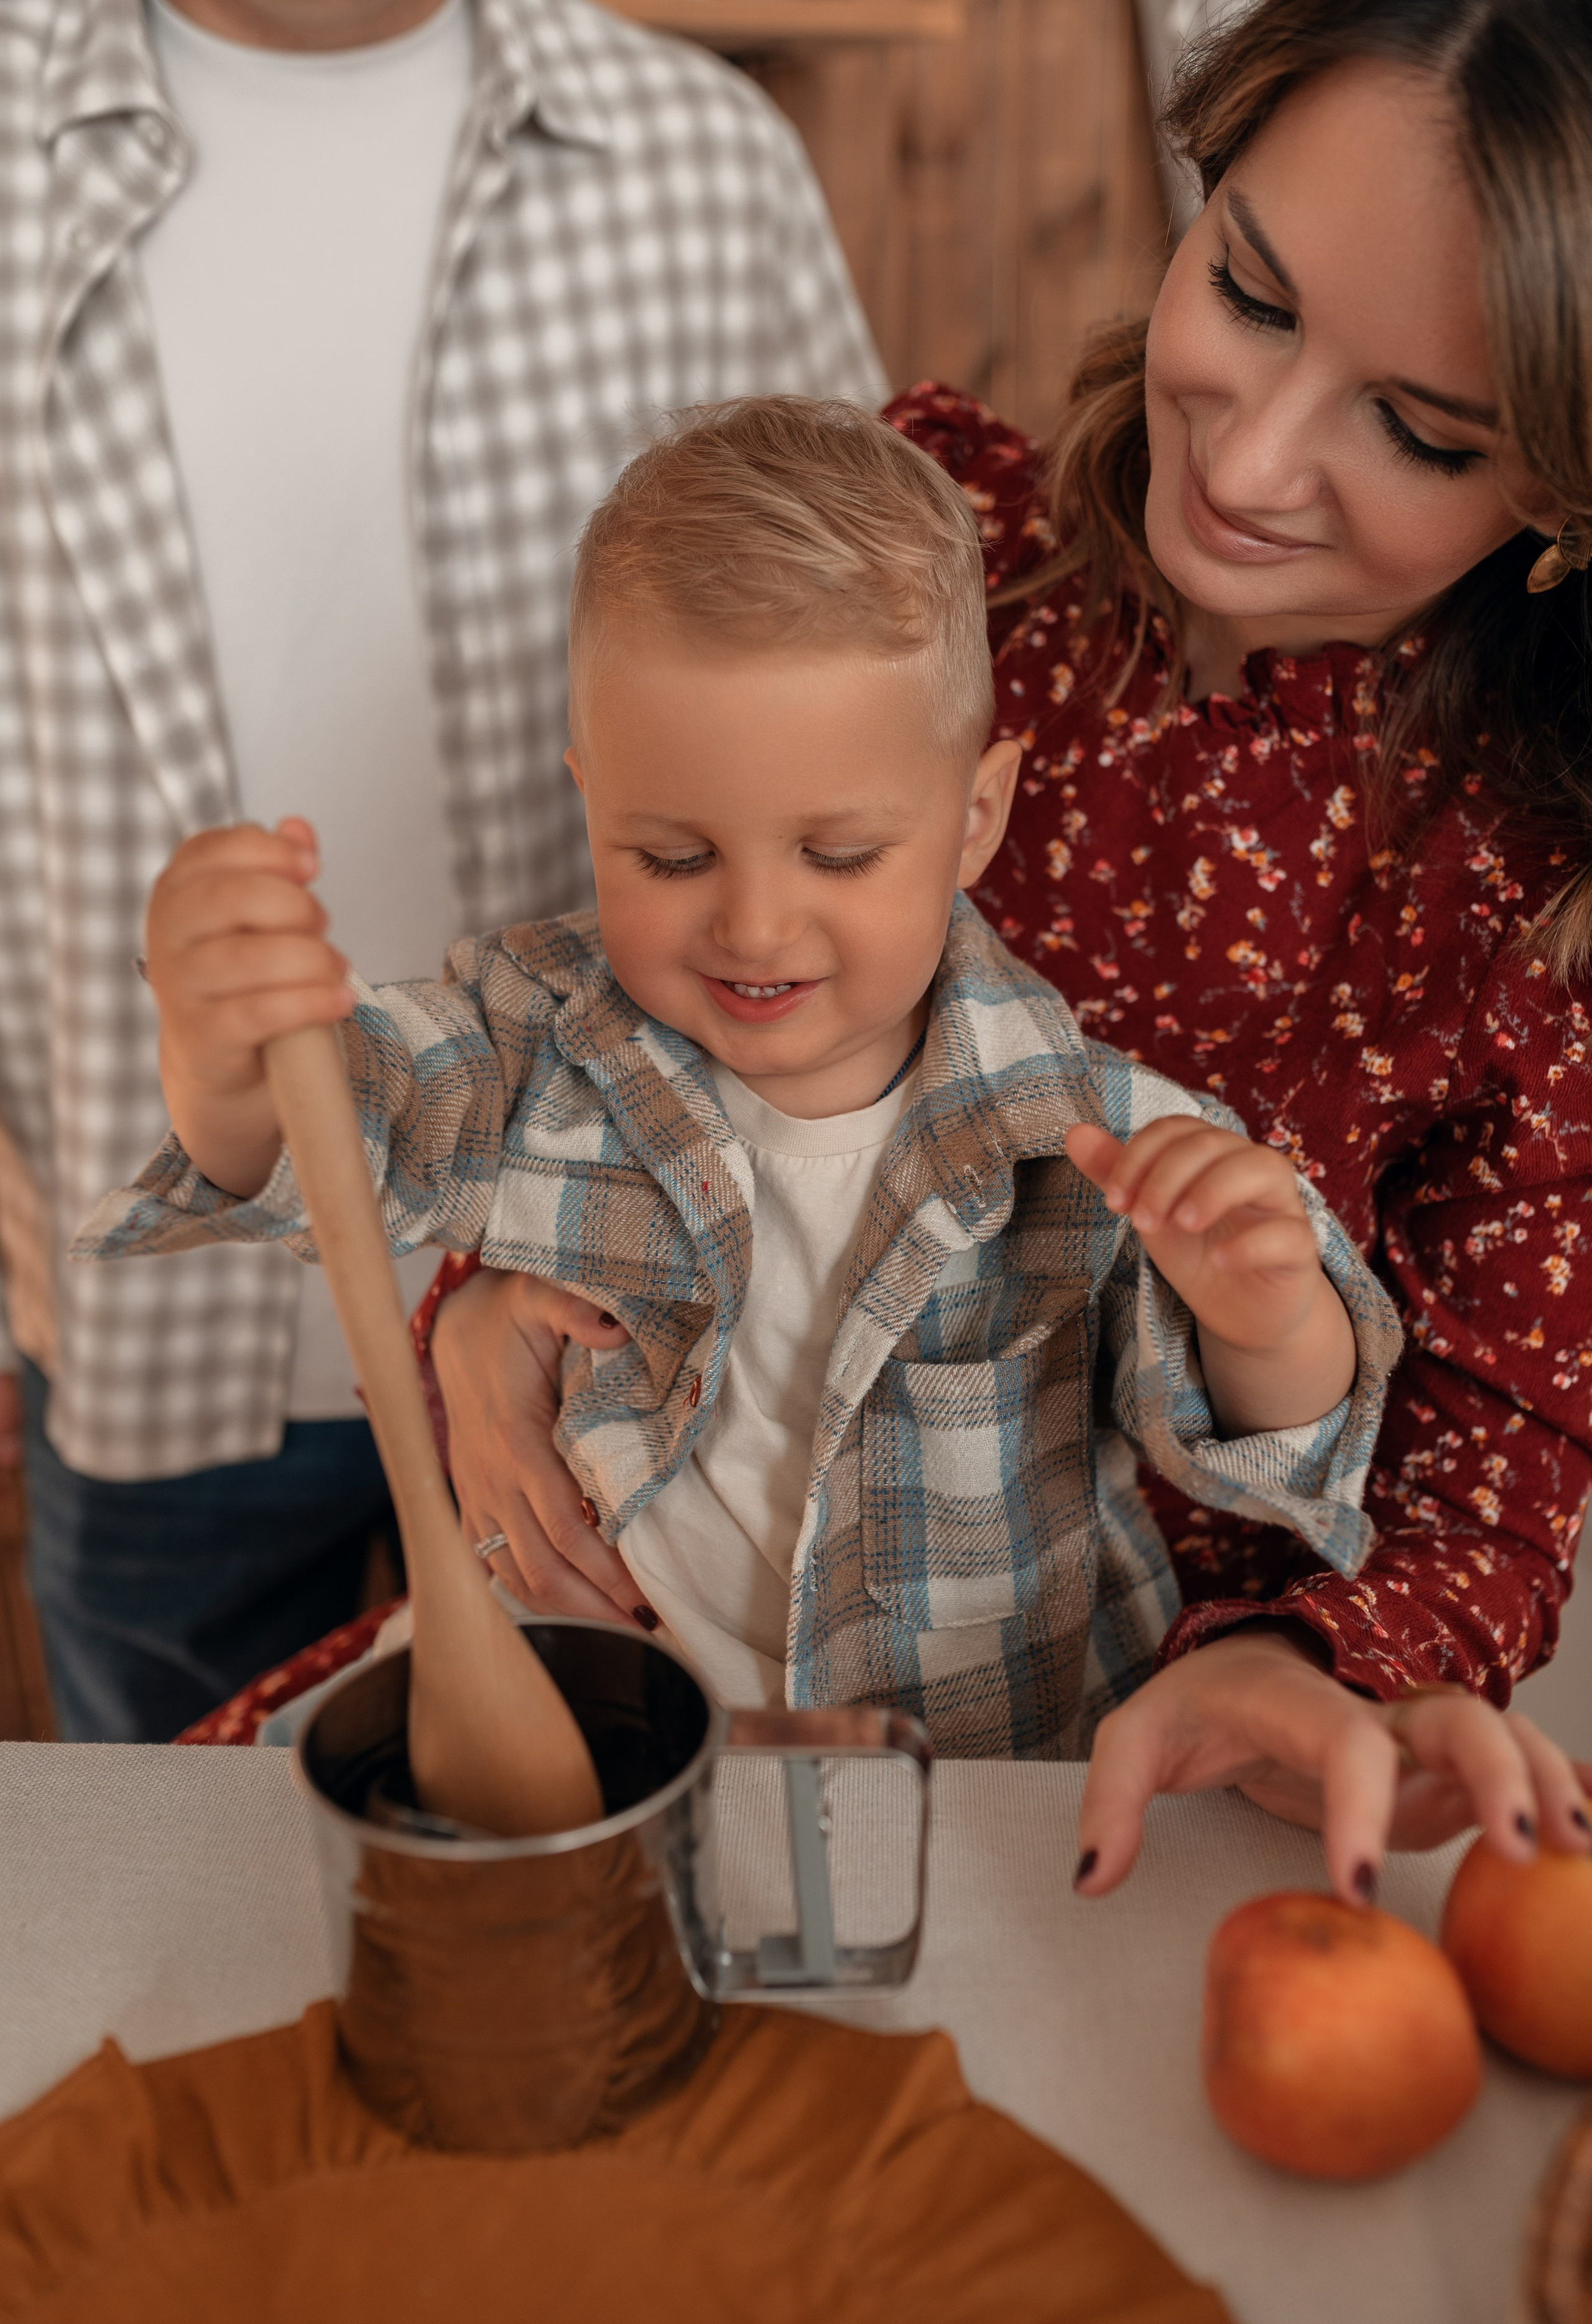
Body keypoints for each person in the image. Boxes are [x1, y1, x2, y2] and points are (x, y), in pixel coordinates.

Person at [415, 0, 1592, 1898]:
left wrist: (1309, 1664)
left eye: (1418, 429)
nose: (1258, 457)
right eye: (1257, 293)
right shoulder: (932, 534)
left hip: (1103, 1784)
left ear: (1558, 499)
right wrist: (481, 1305)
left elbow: (1493, 1479)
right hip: (654, 1659)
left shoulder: (1521, 908)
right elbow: (652, 989)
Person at [81, 394, 1534, 1891]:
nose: (755, 924)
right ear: (590, 804)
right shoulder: (536, 1035)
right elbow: (327, 1133)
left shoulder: (1083, 1131)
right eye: (669, 854)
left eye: (838, 855)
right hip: (596, 1749)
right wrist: (220, 1044)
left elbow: (1274, 1452)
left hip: (974, 1805)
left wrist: (1266, 1315)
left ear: (975, 818)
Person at [0, 0, 881, 1740]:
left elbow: (862, 702)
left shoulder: (699, 164)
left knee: (615, 1932)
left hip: (626, 1346)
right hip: (154, 1342)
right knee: (205, 1931)